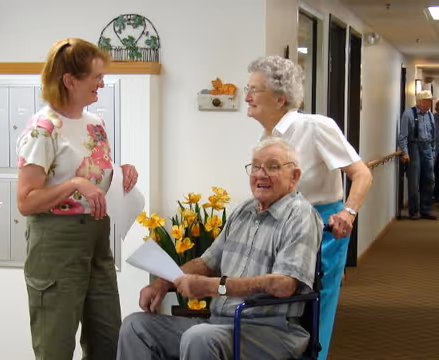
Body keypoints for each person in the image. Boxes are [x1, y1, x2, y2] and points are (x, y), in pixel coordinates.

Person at [117, 137, 323, 360]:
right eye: (255, 167)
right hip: (219, 324)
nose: (261, 175)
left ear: (294, 177)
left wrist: (216, 287)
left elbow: (284, 285)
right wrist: (162, 283)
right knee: (135, 327)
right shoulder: (243, 210)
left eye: (272, 167)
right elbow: (206, 263)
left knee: (200, 337)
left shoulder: (300, 215)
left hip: (272, 331)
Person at [16, 38, 138, 360]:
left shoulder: (95, 124)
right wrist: (74, 184)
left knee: (107, 341)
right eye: (96, 77)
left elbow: (92, 176)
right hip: (57, 243)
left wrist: (120, 171)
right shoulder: (43, 129)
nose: (102, 83)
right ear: (70, 81)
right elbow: (26, 201)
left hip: (97, 238)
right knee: (55, 345)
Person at [244, 55, 373, 360]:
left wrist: (349, 212)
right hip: (280, 228)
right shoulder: (266, 138)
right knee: (278, 308)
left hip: (322, 227)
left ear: (280, 97)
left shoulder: (315, 126)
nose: (246, 97)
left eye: (253, 89)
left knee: (314, 310)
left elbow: (362, 174)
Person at [398, 90, 436, 219]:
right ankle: (414, 211)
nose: (430, 103)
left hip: (427, 147)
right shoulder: (408, 114)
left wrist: (433, 150)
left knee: (429, 179)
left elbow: (433, 135)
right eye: (428, 101)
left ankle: (426, 209)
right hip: (414, 147)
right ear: (420, 101)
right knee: (414, 181)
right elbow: (403, 136)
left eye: (431, 101)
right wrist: (405, 152)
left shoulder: (430, 115)